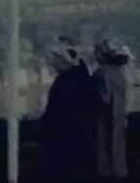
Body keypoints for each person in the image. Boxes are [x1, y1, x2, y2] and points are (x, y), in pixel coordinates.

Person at [38, 40, 95, 182]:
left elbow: (56, 112)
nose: (52, 63)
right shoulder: (81, 77)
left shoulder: (66, 82)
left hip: (64, 140)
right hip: (77, 140)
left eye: (55, 59)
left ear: (63, 60)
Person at [91, 39, 131, 181]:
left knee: (104, 150)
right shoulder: (120, 74)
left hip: (103, 120)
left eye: (96, 52)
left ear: (102, 55)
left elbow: (103, 98)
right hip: (118, 118)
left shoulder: (101, 73)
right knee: (117, 148)